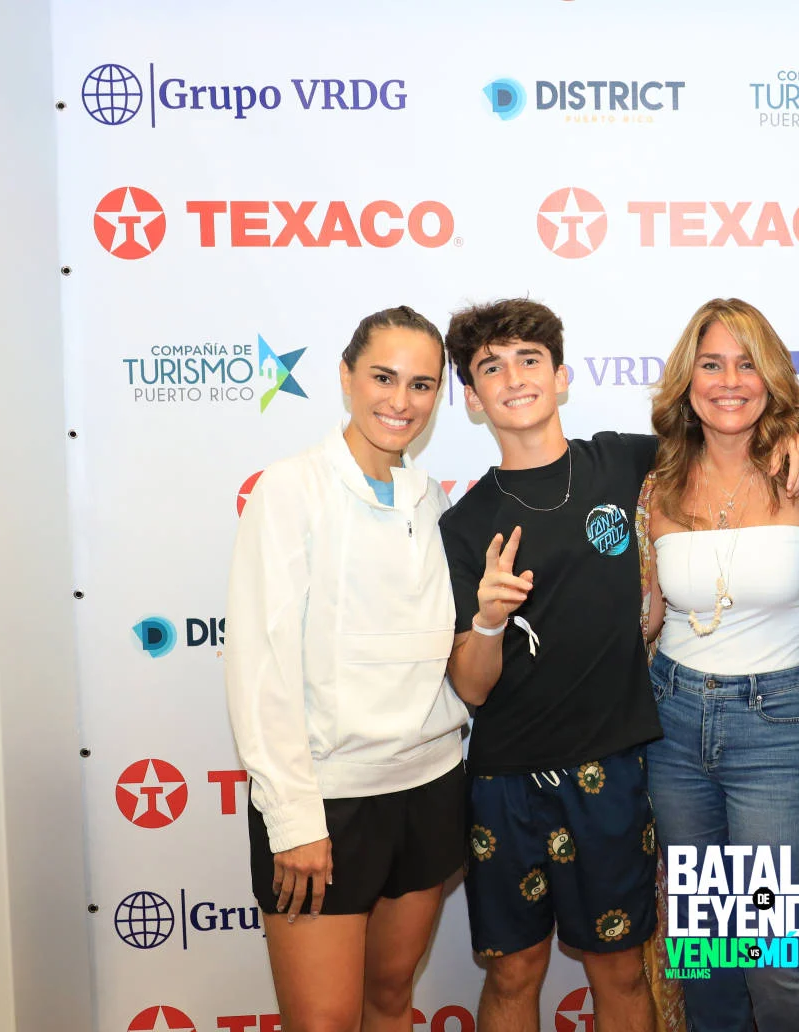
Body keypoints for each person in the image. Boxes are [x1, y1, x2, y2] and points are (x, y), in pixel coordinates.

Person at [437, 298, 799, 1032]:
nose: (514, 379)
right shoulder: (463, 523)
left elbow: (727, 425)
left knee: (675, 963)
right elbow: (471, 688)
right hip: (518, 774)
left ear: (562, 376)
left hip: (625, 765)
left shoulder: (627, 463)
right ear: (473, 399)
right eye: (491, 368)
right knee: (522, 972)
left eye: (529, 360)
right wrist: (488, 619)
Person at [635, 298, 799, 1032]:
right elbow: (647, 614)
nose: (729, 381)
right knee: (705, 955)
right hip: (673, 724)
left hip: (778, 727)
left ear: (772, 378)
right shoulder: (658, 485)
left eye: (747, 365)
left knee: (780, 960)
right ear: (687, 380)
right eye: (711, 364)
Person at [226, 306, 468, 1032]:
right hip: (327, 801)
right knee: (324, 1022)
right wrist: (293, 817)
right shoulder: (289, 489)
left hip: (429, 786)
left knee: (391, 998)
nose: (401, 401)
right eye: (383, 378)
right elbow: (261, 666)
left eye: (421, 385)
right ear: (345, 376)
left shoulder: (432, 498)